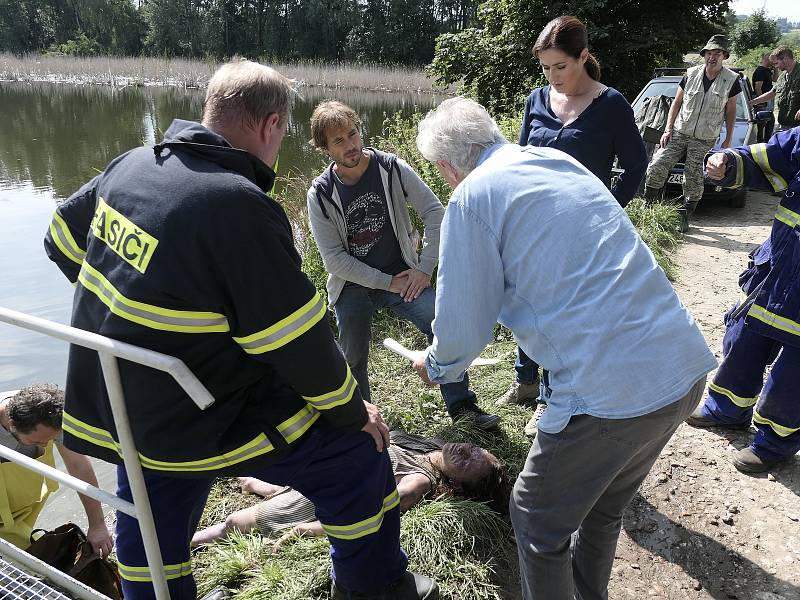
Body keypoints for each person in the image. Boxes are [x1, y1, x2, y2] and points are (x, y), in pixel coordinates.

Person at [44, 60, 437, 600]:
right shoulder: (237, 206)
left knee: (148, 519)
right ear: (272, 125)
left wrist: (138, 313)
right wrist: (353, 412)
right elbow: (298, 342)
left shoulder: (131, 165)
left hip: (124, 407)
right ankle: (374, 586)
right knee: (359, 460)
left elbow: (61, 239)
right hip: (206, 411)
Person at [410, 97, 716, 600]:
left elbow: (465, 322)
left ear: (446, 165)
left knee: (535, 517)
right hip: (679, 367)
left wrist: (439, 363)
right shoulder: (555, 159)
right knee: (603, 506)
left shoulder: (472, 197)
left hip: (612, 394)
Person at [306, 100, 499, 430]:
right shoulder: (321, 194)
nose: (351, 145)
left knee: (442, 322)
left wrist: (425, 268)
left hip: (403, 275)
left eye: (353, 134)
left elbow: (436, 213)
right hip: (352, 285)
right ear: (325, 148)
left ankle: (463, 408)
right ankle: (360, 423)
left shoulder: (391, 168)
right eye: (338, 141)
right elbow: (334, 261)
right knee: (352, 356)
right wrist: (386, 282)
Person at [500, 15, 647, 415]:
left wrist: (608, 213)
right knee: (527, 304)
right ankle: (525, 382)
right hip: (531, 230)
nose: (552, 76)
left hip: (581, 235)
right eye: (545, 68)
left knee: (561, 316)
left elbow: (636, 166)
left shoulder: (611, 105)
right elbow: (520, 162)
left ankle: (552, 400)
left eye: (560, 66)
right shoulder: (537, 100)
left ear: (582, 57)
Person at [686, 126, 800, 473]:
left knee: (793, 374)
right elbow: (765, 160)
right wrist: (729, 161)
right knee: (743, 339)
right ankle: (727, 408)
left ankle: (775, 442)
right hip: (778, 270)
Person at [191, 436, 508, 548]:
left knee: (233, 523)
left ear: (455, 486)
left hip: (323, 496)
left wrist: (309, 529)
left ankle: (179, 545)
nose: (467, 451)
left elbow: (373, 514)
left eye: (470, 464)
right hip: (325, 468)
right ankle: (269, 487)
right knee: (252, 479)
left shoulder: (420, 482)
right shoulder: (423, 448)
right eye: (475, 449)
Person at [0, 385, 113, 556]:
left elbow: (78, 464)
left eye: (50, 440)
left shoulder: (50, 414)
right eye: (36, 442)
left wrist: (97, 525)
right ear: (12, 426)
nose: (45, 446)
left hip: (23, 507)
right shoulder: (20, 417)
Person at [644, 34, 741, 229]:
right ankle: (649, 209)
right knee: (657, 164)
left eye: (717, 53)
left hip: (705, 138)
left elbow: (731, 111)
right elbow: (676, 103)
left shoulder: (731, 80)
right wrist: (667, 129)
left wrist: (728, 139)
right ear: (704, 54)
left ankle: (685, 215)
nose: (712, 57)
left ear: (724, 56)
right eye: (709, 53)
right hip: (680, 131)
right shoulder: (691, 74)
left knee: (694, 176)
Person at [749, 46, 800, 133]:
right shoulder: (783, 76)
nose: (775, 67)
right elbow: (772, 93)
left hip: (797, 127)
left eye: (776, 63)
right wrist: (752, 102)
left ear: (786, 59)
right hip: (784, 125)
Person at [751, 52, 776, 142]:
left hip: (768, 99)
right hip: (763, 99)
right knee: (763, 123)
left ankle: (766, 141)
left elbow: (775, 79)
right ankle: (763, 142)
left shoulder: (767, 70)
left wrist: (775, 68)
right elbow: (758, 87)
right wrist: (761, 102)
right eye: (772, 59)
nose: (774, 61)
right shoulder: (760, 71)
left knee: (768, 121)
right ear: (767, 59)